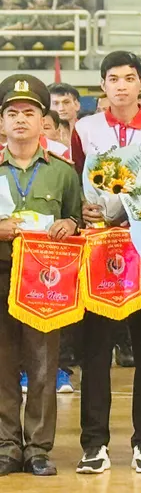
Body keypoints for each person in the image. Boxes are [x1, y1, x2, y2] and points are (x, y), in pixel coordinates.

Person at [73, 51, 141, 475]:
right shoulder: (84, 129)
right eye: (112, 78)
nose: (120, 85)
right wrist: (85, 209)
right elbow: (77, 183)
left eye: (129, 78)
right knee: (95, 352)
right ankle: (94, 443)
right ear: (102, 87)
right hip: (99, 252)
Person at [0, 75, 81, 478]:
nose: (20, 120)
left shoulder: (63, 172)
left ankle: (38, 448)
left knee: (44, 365)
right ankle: (7, 445)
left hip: (44, 280)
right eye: (12, 113)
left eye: (29, 113)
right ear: (2, 123)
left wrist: (69, 223)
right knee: (2, 366)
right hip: (0, 274)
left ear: (42, 120)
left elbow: (77, 218)